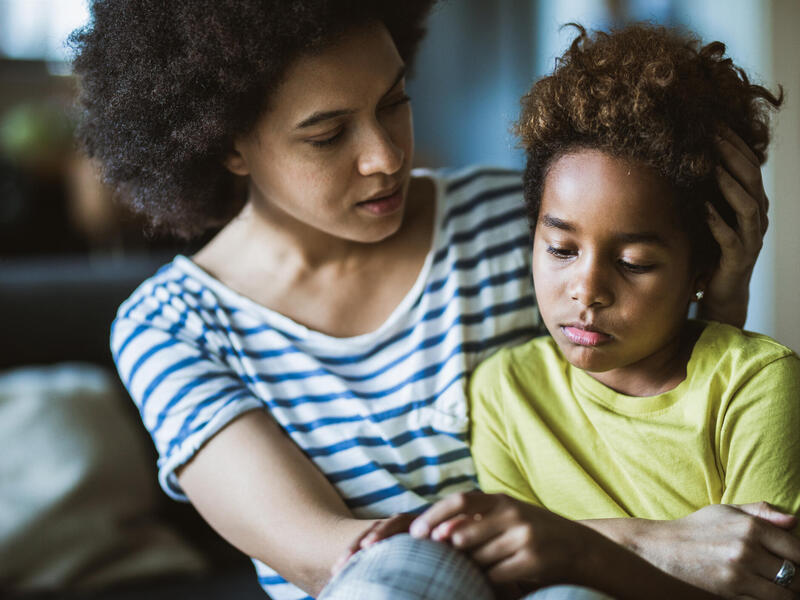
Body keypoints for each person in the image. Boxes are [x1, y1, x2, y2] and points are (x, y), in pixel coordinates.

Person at [69, 2, 790, 598]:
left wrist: (716, 299)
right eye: (327, 135)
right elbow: (336, 559)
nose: (385, 154)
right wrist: (638, 545)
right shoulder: (172, 328)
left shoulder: (516, 223)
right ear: (227, 144)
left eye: (394, 102)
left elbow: (650, 404)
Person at [397, 23, 800, 600]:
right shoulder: (504, 393)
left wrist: (579, 550)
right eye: (560, 249)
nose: (586, 290)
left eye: (634, 262)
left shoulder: (756, 385)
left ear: (704, 266)